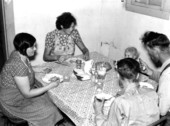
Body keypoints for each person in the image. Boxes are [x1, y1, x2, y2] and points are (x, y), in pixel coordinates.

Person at [0, 33, 63, 126]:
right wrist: (50, 86)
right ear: (24, 48)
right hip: (13, 103)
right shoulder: (17, 65)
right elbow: (27, 93)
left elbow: (24, 69)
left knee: (51, 99)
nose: (35, 49)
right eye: (33, 47)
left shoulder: (18, 54)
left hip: (19, 95)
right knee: (49, 110)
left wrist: (38, 70)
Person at [93, 58, 160, 126]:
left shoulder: (120, 102)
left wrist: (98, 111)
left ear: (118, 75)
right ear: (138, 76)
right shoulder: (152, 93)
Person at [141, 31, 170, 126]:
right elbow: (163, 78)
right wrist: (149, 72)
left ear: (156, 50)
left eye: (149, 51)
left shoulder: (167, 76)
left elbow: (162, 111)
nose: (149, 55)